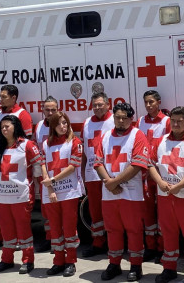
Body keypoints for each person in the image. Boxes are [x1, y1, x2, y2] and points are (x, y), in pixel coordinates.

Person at [148, 106, 184, 283]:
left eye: (179, 121)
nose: (175, 124)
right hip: (165, 197)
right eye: (172, 120)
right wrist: (159, 182)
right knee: (168, 233)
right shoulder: (161, 141)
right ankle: (169, 268)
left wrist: (179, 186)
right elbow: (150, 164)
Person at [94, 102, 151, 282]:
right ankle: (114, 263)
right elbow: (98, 162)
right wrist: (109, 183)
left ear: (131, 119)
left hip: (131, 194)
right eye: (117, 117)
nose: (120, 121)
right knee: (112, 230)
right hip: (109, 194)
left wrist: (113, 182)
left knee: (134, 230)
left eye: (123, 118)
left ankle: (136, 265)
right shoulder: (105, 137)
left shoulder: (138, 135)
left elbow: (138, 164)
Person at [0, 114, 42, 274]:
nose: (4, 130)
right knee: (6, 230)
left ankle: (28, 260)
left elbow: (37, 165)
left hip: (21, 196)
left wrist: (36, 186)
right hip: (1, 197)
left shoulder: (27, 145)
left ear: (15, 127)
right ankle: (7, 259)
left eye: (7, 126)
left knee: (23, 229)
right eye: (2, 127)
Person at [0, 84, 33, 250]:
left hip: (17, 169)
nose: (0, 99)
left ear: (14, 98)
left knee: (18, 207)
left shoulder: (22, 115)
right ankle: (1, 237)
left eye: (3, 96)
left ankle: (20, 240)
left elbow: (27, 143)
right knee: (0, 203)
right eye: (0, 96)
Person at [40, 111, 83, 278]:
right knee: (55, 227)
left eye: (65, 123)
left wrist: (53, 180)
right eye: (59, 124)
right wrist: (50, 187)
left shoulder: (75, 142)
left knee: (69, 227)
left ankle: (71, 261)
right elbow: (42, 164)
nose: (63, 126)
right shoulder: (45, 144)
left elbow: (73, 167)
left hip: (69, 192)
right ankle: (58, 261)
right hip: (51, 192)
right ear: (53, 126)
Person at [80, 91, 115, 257]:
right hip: (91, 173)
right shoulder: (87, 122)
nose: (98, 108)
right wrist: (83, 173)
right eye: (95, 105)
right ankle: (98, 242)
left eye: (101, 104)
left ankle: (116, 243)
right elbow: (85, 152)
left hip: (111, 173)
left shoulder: (115, 119)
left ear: (108, 104)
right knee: (95, 211)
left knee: (113, 210)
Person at [137, 90, 170, 263]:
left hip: (161, 173)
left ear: (158, 102)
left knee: (163, 214)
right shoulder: (140, 121)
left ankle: (163, 248)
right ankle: (150, 247)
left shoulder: (167, 121)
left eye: (152, 102)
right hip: (144, 173)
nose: (149, 105)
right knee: (147, 213)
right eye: (146, 102)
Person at [34, 96, 59, 253]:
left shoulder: (63, 125)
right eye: (47, 109)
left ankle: (58, 239)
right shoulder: (38, 126)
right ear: (42, 110)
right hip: (43, 172)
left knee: (58, 207)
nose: (50, 112)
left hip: (58, 173)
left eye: (53, 110)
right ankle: (50, 238)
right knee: (46, 208)